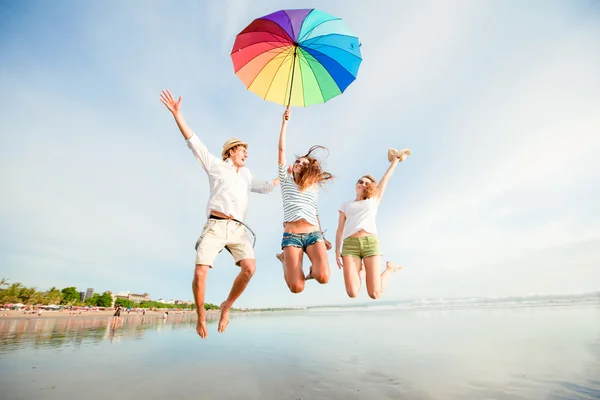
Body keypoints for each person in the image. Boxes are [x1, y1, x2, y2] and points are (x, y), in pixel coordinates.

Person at [160, 89, 279, 339]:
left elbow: (267, 187)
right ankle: (201, 315)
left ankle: (227, 306)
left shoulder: (246, 175)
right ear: (231, 151)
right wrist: (177, 114)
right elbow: (194, 141)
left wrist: (284, 175)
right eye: (243, 150)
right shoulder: (215, 165)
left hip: (237, 229)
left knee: (250, 268)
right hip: (215, 225)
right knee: (200, 272)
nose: (246, 154)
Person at [335, 147, 410, 299]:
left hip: (370, 243)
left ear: (370, 187)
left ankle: (389, 270)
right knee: (352, 292)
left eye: (366, 183)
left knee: (375, 294)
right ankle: (361, 270)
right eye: (360, 181)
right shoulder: (345, 204)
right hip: (350, 246)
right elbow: (340, 229)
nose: (362, 184)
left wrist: (395, 160)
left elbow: (386, 178)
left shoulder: (373, 200)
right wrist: (337, 251)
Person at [275, 107, 333, 293]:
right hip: (291, 237)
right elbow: (282, 149)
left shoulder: (313, 185)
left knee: (323, 277)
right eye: (297, 161)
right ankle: (284, 259)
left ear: (309, 169)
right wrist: (285, 123)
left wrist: (322, 236)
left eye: (303, 163)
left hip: (313, 235)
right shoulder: (285, 180)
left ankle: (312, 269)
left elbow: (314, 212)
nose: (299, 163)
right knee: (297, 287)